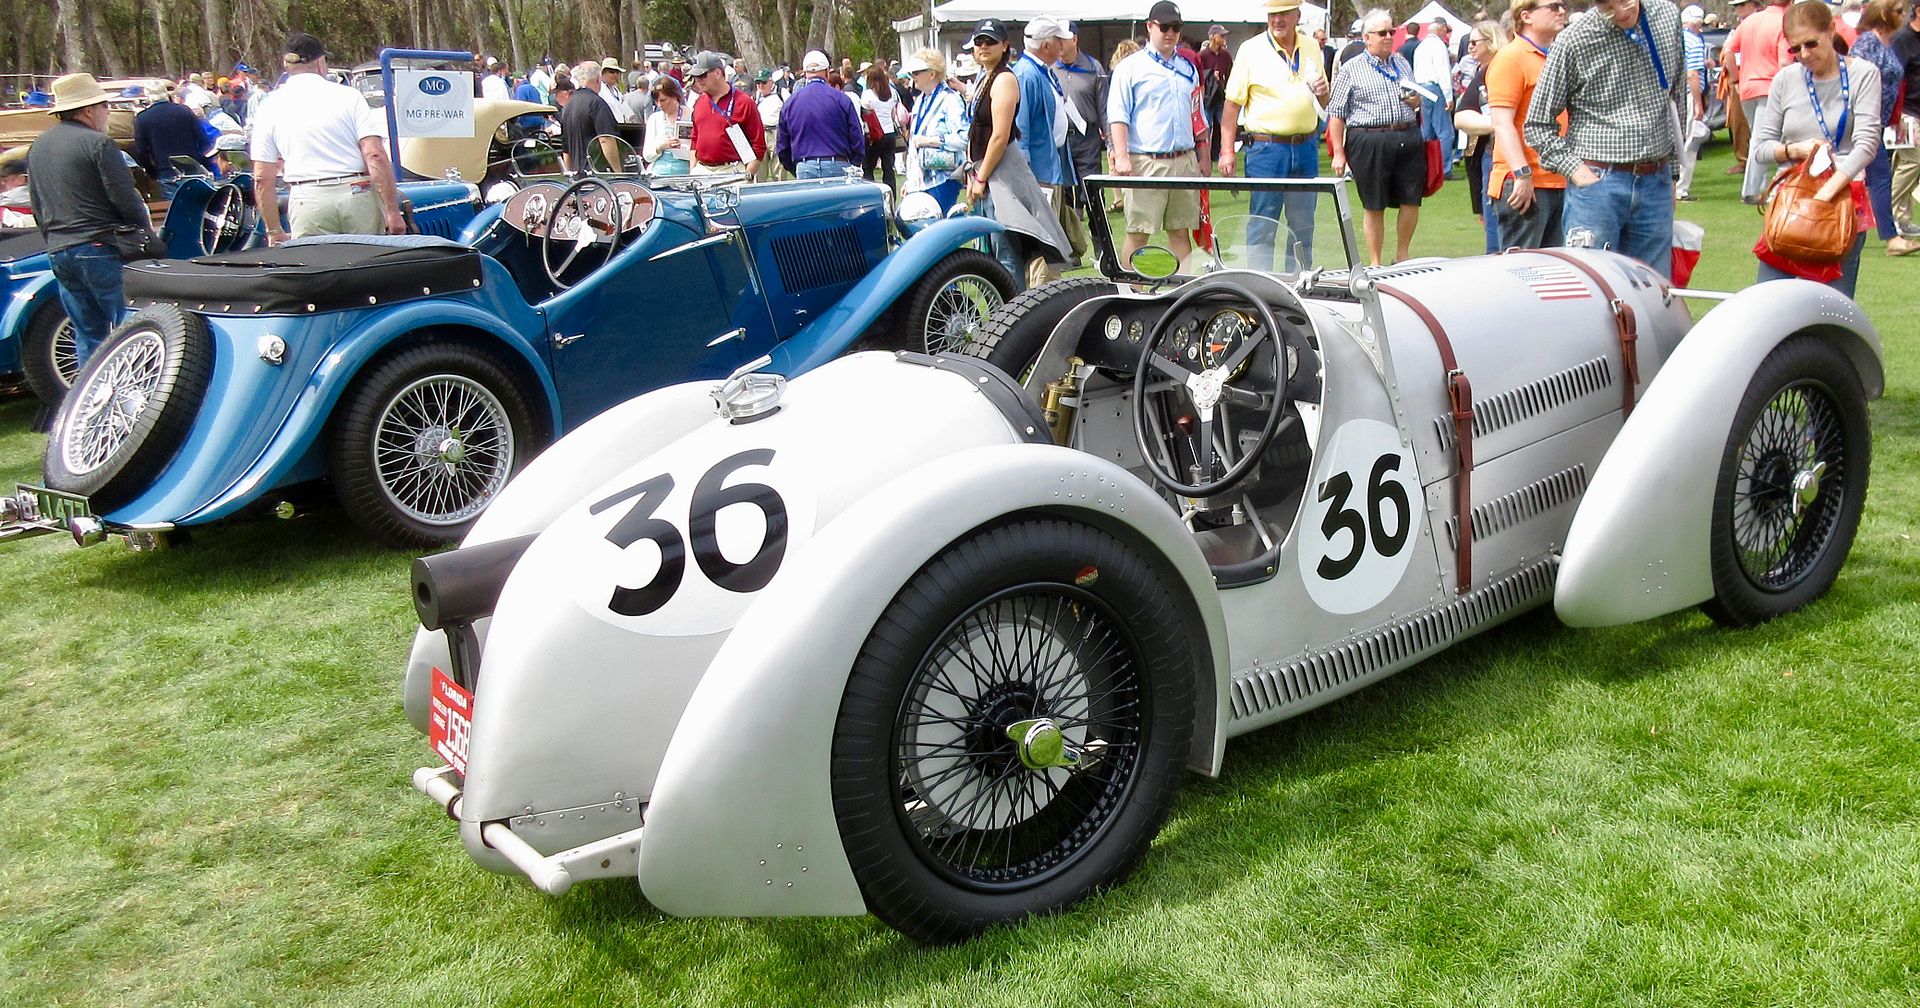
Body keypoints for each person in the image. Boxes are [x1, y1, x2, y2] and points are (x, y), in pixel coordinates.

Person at [1524, 0, 1686, 274]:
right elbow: (1537, 124)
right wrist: (1577, 172)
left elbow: (1675, 94)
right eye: (1608, 6)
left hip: (1655, 180)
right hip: (1598, 184)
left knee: (1655, 287)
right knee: (1593, 285)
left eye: (1624, 1)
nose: (1621, 12)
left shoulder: (1667, 17)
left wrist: (1671, 172)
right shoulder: (1574, 40)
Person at [1752, 0, 1881, 294]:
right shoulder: (1786, 79)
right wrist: (1794, 150)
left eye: (1811, 43)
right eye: (1795, 49)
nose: (1804, 55)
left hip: (1841, 205)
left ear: (1831, 30)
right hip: (1791, 207)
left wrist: (1825, 194)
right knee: (1769, 300)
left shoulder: (1863, 74)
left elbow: (1866, 143)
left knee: (1831, 304)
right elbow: (1760, 148)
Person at [27, 73, 152, 371]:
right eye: (104, 106)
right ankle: (133, 388)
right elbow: (124, 197)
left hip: (59, 248)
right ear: (87, 110)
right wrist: (145, 235)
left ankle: (88, 394)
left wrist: (54, 239)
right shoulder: (99, 143)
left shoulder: (38, 146)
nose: (107, 112)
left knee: (88, 334)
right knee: (129, 328)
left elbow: (37, 204)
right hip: (98, 245)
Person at [251, 32, 406, 244]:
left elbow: (262, 177)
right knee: (367, 260)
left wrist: (274, 230)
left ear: (287, 65)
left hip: (306, 198)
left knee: (315, 263)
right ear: (320, 63)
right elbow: (374, 154)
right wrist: (392, 211)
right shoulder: (349, 96)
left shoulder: (268, 106)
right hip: (356, 192)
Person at [1218, 0, 1330, 271]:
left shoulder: (1311, 46)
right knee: (1263, 224)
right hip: (1266, 150)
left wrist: (1324, 92)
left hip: (1306, 147)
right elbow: (1231, 106)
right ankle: (1261, 286)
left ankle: (1299, 283)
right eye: (1272, 14)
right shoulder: (1251, 50)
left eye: (1283, 13)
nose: (1277, 19)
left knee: (1304, 225)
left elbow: (1323, 103)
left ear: (1297, 15)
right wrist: (1227, 151)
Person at [964, 17, 1072, 290]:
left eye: (990, 41)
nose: (984, 46)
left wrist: (981, 178)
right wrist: (972, 172)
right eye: (979, 41)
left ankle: (1015, 309)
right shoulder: (985, 78)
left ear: (1004, 46)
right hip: (988, 172)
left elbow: (1001, 136)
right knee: (993, 250)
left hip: (1003, 174)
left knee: (1007, 251)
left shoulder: (1005, 79)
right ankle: (1005, 306)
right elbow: (976, 130)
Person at [1108, 1, 1204, 265]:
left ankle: (1184, 287)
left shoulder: (1188, 68)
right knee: (1138, 233)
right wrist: (1122, 156)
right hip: (1146, 161)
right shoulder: (1130, 67)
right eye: (1164, 27)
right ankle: (1129, 287)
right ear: (1150, 27)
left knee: (1181, 231)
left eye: (1176, 27)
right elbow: (1118, 115)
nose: (1170, 33)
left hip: (1184, 160)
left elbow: (1198, 114)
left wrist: (1204, 155)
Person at [1329, 10, 1427, 265]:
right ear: (1367, 38)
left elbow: (1415, 99)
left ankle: (1402, 254)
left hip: (1407, 133)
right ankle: (1375, 261)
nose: (1388, 37)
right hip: (1369, 139)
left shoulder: (1401, 63)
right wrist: (1338, 153)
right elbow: (1336, 114)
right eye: (1382, 33)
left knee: (1411, 199)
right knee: (1374, 203)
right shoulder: (1351, 69)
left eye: (1391, 32)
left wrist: (1416, 101)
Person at [1488, 0, 1570, 250]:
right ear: (1526, 16)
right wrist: (1521, 174)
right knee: (1521, 268)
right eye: (1553, 6)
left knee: (1556, 268)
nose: (1562, 11)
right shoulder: (1511, 58)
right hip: (1525, 182)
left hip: (1559, 179)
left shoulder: (1555, 56)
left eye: (1563, 5)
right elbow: (1502, 123)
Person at [1854, 0, 1912, 253]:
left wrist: (1896, 118)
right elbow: (1854, 78)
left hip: (1877, 121)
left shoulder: (1887, 42)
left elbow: (1895, 83)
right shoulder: (1868, 42)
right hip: (1862, 120)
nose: (1904, 15)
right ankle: (1891, 238)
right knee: (1879, 176)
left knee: (1870, 177)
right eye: (1898, 11)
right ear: (1885, 15)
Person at [1729, 0, 1794, 201]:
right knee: (1762, 140)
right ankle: (1751, 190)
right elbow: (1784, 63)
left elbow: (1729, 51)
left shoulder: (1750, 21)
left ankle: (1760, 187)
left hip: (1747, 87)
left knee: (1760, 138)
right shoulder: (1784, 22)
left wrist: (1736, 79)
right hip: (1770, 87)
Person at [1453, 22, 1507, 253]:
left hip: (1498, 154)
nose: (1470, 47)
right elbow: (1462, 115)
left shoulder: (1498, 68)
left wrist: (1502, 124)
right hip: (1484, 150)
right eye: (1469, 42)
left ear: (1491, 41)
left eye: (1475, 42)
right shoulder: (1482, 70)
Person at [779, 50, 865, 179]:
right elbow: (856, 137)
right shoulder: (842, 99)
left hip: (805, 165)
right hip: (838, 163)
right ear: (827, 71)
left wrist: (796, 166)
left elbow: (782, 146)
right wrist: (853, 163)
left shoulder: (790, 103)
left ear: (805, 72)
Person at [903, 49, 967, 211]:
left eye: (917, 72)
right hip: (920, 181)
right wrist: (910, 181)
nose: (913, 76)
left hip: (942, 180)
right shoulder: (920, 101)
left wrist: (930, 141)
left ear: (932, 74)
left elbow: (963, 138)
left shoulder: (950, 99)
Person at [133, 84, 214, 197]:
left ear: (148, 96)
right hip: (193, 168)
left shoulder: (142, 118)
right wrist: (205, 164)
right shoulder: (184, 111)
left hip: (166, 171)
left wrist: (152, 172)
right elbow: (202, 138)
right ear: (166, 94)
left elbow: (141, 151)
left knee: (174, 205)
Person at [1889, 0, 1920, 244]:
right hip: (1907, 112)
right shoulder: (1902, 39)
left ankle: (1901, 216)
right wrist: (1895, 114)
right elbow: (1895, 78)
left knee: (1907, 164)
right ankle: (1890, 212)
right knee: (1913, 161)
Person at [559, 60, 623, 175]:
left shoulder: (568, 106)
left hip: (578, 176)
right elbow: (606, 139)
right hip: (597, 174)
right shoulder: (597, 103)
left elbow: (566, 149)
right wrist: (618, 172)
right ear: (598, 79)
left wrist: (570, 175)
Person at [1414, 18, 1459, 178]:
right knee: (1445, 131)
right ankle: (1445, 169)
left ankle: (1425, 167)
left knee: (1427, 131)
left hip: (1422, 88)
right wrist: (1448, 96)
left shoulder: (1420, 46)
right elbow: (1443, 72)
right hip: (1435, 88)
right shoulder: (1439, 46)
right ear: (1441, 30)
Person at [1676, 5, 1711, 200]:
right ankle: (1680, 188)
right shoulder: (1695, 42)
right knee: (1689, 143)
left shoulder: (1676, 38)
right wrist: (1698, 103)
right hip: (1688, 94)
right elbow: (1692, 75)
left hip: (1673, 95)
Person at [861, 65, 904, 190]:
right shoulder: (891, 93)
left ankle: (870, 193)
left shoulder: (868, 94)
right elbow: (893, 114)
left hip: (875, 134)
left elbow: (865, 115)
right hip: (890, 133)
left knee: (868, 167)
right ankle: (891, 195)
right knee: (888, 168)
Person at [1199, 25, 1234, 164]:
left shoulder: (1226, 56)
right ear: (1213, 37)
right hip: (1208, 98)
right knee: (1207, 127)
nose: (1224, 38)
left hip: (1220, 96)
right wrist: (1210, 77)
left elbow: (1231, 74)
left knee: (1224, 126)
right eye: (1221, 35)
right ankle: (1205, 157)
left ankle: (1222, 154)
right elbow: (1198, 76)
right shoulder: (1202, 55)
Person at [754, 73, 784, 181]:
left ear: (771, 82)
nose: (760, 86)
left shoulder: (781, 92)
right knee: (759, 169)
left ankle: (780, 189)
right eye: (758, 83)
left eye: (763, 83)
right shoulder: (757, 94)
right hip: (760, 132)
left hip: (776, 132)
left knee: (778, 168)